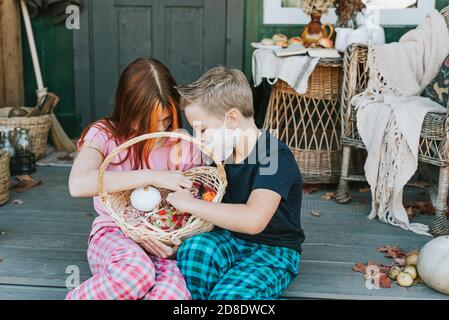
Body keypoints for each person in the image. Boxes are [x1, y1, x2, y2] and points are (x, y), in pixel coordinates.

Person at [66, 58, 200, 300]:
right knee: (135, 273)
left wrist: (174, 241)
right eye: (150, 121)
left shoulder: (180, 142)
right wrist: (151, 176)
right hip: (114, 233)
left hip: (161, 242)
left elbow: (197, 201)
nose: (160, 128)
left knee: (171, 295)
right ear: (129, 110)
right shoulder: (105, 134)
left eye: (166, 119)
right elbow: (78, 184)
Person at [168, 66, 305, 300]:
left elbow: (253, 220)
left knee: (229, 298)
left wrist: (188, 204)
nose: (198, 138)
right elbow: (210, 203)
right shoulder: (222, 156)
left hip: (273, 250)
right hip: (229, 238)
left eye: (202, 129)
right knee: (194, 250)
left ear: (231, 118)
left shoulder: (274, 156)